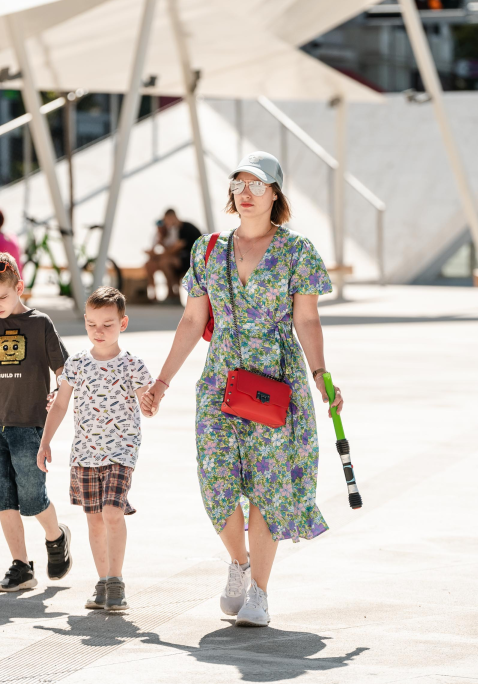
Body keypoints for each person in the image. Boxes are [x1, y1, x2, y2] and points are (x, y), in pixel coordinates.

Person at [140, 151, 342, 627]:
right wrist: (162, 380)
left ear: (276, 193)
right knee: (215, 482)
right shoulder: (207, 250)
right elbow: (192, 320)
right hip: (221, 379)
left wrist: (320, 377)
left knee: (269, 486)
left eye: (257, 184)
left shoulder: (298, 251)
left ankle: (260, 593)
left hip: (275, 378)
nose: (246, 192)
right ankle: (239, 562)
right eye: (238, 184)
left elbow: (307, 318)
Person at [0, 251, 74, 593]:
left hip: (29, 426)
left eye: (3, 297)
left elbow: (65, 370)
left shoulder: (40, 324)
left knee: (32, 498)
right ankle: (21, 567)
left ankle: (56, 536)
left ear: (19, 287)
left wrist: (57, 391)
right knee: (4, 499)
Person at [36, 286, 154, 612]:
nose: (98, 331)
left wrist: (150, 404)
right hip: (85, 454)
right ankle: (102, 582)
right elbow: (59, 406)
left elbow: (148, 401)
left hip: (121, 452)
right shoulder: (75, 365)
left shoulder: (133, 365)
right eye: (91, 324)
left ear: (123, 323)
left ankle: (116, 582)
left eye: (107, 324)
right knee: (93, 520)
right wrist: (45, 442)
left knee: (113, 513)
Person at [143, 209, 201, 301]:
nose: (166, 223)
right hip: (185, 259)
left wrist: (159, 254)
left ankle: (172, 294)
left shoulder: (186, 228)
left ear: (172, 218)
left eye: (166, 220)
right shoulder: (176, 230)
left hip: (195, 261)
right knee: (158, 263)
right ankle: (168, 294)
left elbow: (175, 249)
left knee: (165, 262)